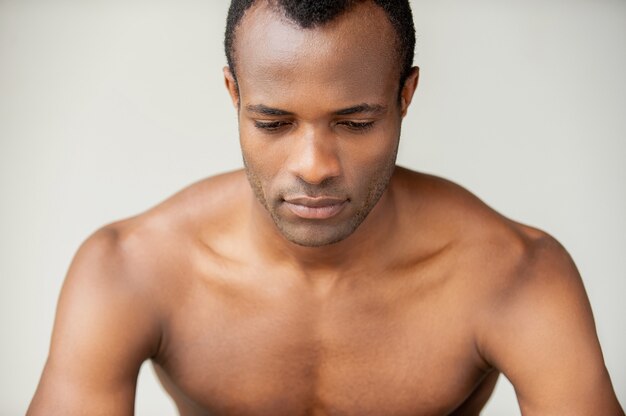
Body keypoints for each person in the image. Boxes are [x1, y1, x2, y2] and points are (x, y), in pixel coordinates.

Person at [27, 1, 624, 415]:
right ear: (234, 94)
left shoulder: (514, 277)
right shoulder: (130, 270)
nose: (314, 165)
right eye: (273, 121)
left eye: (355, 122)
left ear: (405, 96)